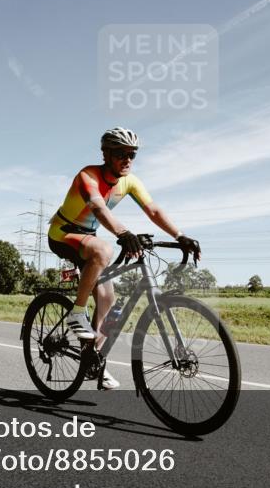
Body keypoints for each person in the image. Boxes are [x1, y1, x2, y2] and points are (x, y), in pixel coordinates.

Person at [48, 127, 200, 390]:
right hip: (63, 234)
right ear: (106, 154)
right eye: (121, 153)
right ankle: (77, 313)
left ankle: (93, 359)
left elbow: (153, 210)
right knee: (103, 250)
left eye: (132, 154)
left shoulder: (129, 181)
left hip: (88, 239)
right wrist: (123, 233)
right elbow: (98, 208)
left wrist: (180, 235)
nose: (127, 159)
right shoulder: (87, 176)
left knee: (109, 301)